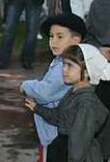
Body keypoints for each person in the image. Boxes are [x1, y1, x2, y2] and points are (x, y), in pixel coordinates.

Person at [25, 44, 110, 162]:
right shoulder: (73, 91)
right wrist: (37, 108)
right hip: (63, 148)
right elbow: (61, 118)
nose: (64, 70)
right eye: (64, 64)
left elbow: (79, 143)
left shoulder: (87, 103)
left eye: (70, 66)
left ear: (86, 72)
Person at [20, 13, 86, 161]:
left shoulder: (64, 66)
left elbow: (44, 93)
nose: (53, 41)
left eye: (60, 36)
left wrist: (24, 85)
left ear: (76, 40)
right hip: (56, 132)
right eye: (51, 36)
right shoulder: (61, 61)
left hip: (55, 134)